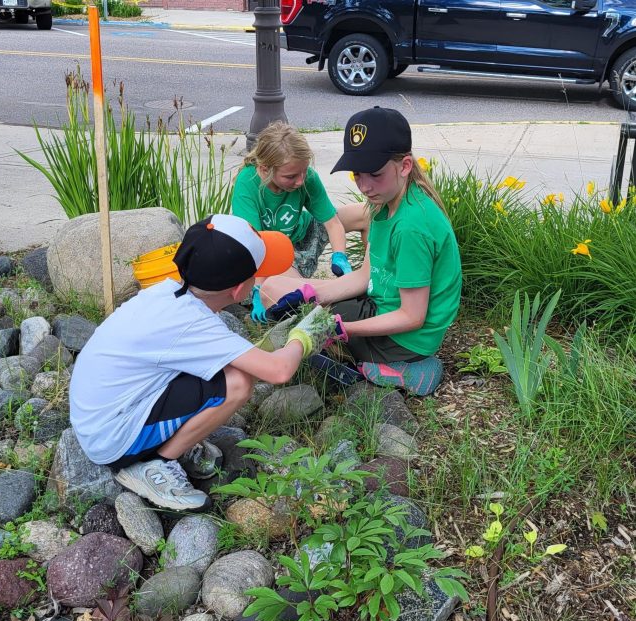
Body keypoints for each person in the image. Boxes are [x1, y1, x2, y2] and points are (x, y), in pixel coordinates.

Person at [69, 215, 337, 512]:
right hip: (112, 438)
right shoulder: (193, 324)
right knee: (238, 382)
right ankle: (156, 464)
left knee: (232, 369)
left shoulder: (167, 293)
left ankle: (160, 444)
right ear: (239, 290)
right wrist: (303, 336)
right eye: (258, 275)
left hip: (97, 415)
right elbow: (278, 371)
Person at [260, 107, 462, 396]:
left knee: (289, 312)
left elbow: (412, 317)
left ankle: (410, 369)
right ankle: (357, 357)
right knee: (274, 287)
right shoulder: (386, 202)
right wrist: (311, 295)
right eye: (357, 174)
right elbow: (367, 275)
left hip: (405, 339)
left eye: (375, 174)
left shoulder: (411, 228)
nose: (365, 186)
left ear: (404, 166)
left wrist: (343, 328)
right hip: (384, 307)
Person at [231, 121, 369, 322]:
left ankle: (372, 276)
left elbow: (332, 223)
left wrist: (340, 256)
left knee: (366, 213)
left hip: (305, 232)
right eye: (291, 176)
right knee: (285, 286)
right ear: (264, 168)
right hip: (274, 255)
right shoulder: (248, 183)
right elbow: (256, 247)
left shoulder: (305, 176)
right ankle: (342, 298)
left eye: (304, 172)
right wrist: (258, 291)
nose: (301, 181)